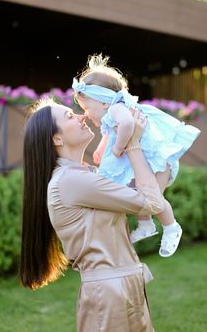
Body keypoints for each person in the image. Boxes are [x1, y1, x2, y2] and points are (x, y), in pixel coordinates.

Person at [20, 98, 165, 331]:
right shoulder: (72, 181)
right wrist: (133, 143)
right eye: (70, 116)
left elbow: (147, 193)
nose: (82, 116)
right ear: (56, 139)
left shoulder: (86, 175)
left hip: (123, 286)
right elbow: (152, 202)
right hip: (109, 294)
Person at [72, 54, 200, 258]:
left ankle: (171, 227)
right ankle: (146, 224)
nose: (85, 114)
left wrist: (118, 148)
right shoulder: (112, 112)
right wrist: (102, 147)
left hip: (156, 159)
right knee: (140, 192)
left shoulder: (117, 108)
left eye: (87, 108)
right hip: (147, 160)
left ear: (104, 103)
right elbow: (110, 132)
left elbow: (128, 125)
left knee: (154, 198)